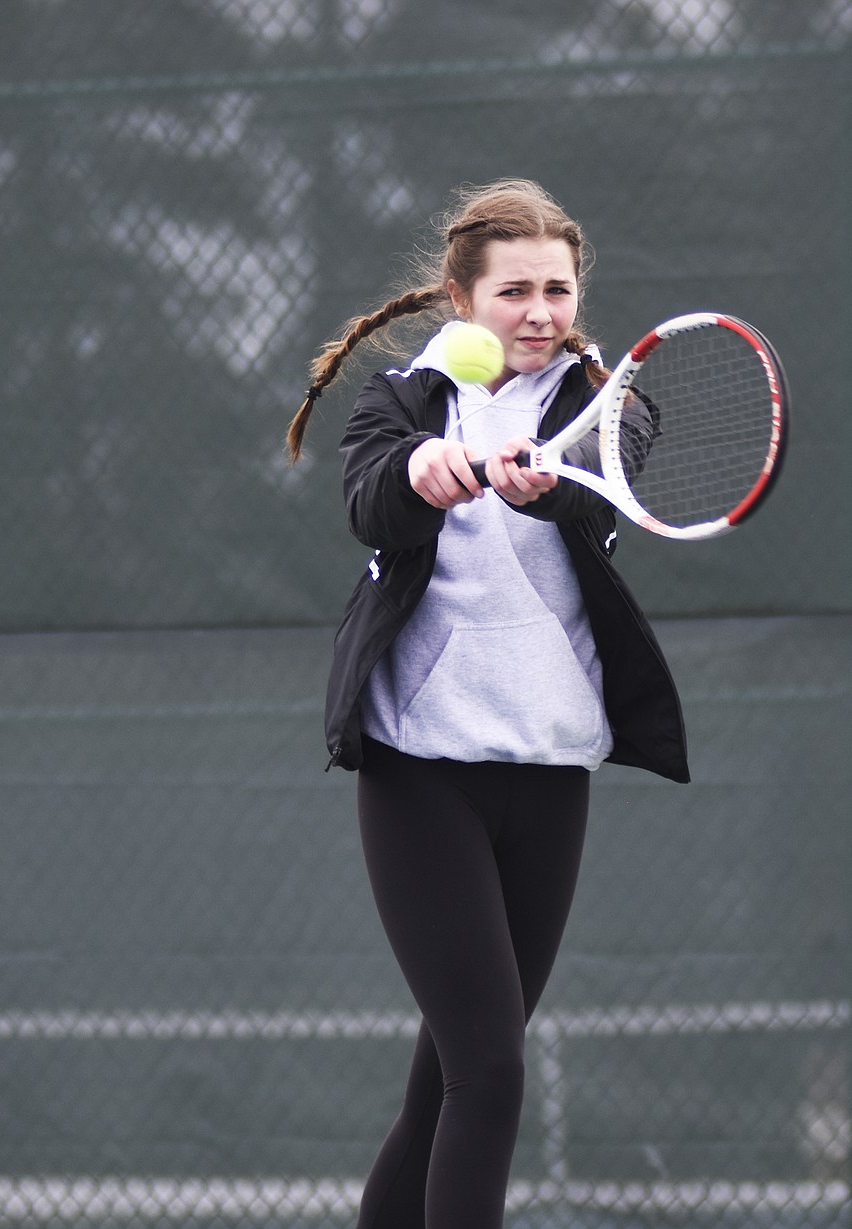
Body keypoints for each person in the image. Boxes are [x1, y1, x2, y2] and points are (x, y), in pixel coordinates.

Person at [288, 178, 688, 1229]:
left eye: (557, 289)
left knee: (445, 1092)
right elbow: (370, 500)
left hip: (549, 773)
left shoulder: (610, 404)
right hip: (421, 773)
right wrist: (427, 472)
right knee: (492, 1071)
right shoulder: (399, 399)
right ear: (464, 299)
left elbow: (604, 495)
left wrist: (540, 484)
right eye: (515, 291)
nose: (541, 312)